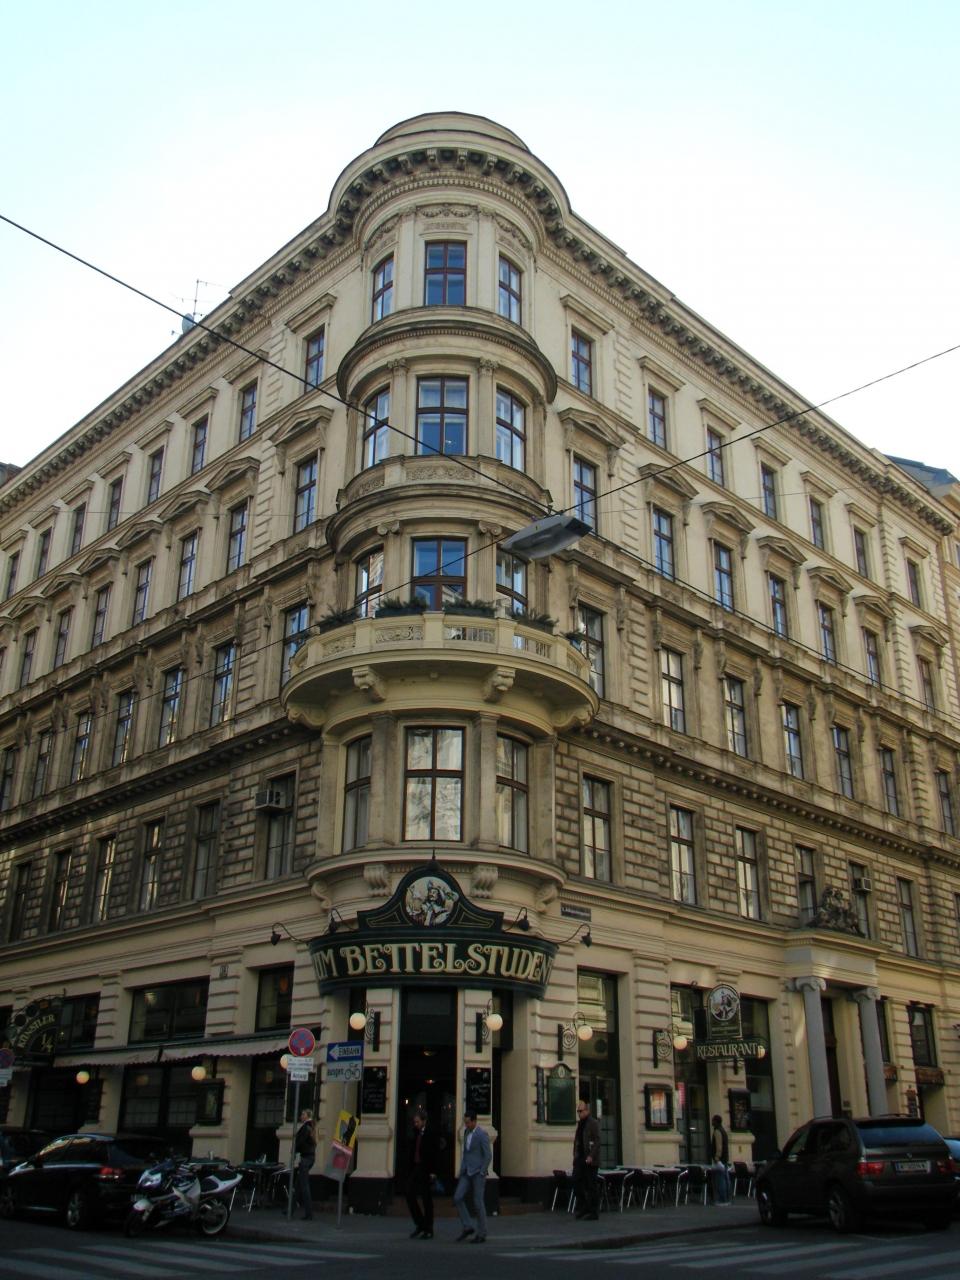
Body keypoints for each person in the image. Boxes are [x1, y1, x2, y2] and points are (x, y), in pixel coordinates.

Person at [453, 1109, 491, 1243]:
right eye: (465, 1122)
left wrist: (482, 1171)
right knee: (457, 1197)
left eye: (468, 1122)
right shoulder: (466, 1132)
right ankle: (467, 1225)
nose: (466, 1125)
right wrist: (462, 1168)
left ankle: (482, 1233)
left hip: (477, 1173)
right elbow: (466, 1152)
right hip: (466, 1171)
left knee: (478, 1203)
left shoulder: (482, 1134)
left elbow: (488, 1155)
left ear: (474, 1121)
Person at [405, 1110, 437, 1240]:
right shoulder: (415, 1132)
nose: (415, 1124)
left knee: (426, 1199)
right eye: (414, 1122)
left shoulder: (431, 1133)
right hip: (416, 1167)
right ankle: (420, 1223)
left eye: (417, 1122)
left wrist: (433, 1172)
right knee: (408, 1193)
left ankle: (428, 1228)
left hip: (426, 1169)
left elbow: (435, 1153)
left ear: (424, 1121)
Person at [572, 1099, 601, 1220]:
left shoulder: (592, 1123)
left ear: (587, 1111)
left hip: (590, 1160)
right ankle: (584, 1206)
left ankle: (593, 1211)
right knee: (576, 1181)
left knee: (591, 1185)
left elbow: (597, 1141)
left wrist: (591, 1156)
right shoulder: (580, 1124)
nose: (579, 1113)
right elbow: (577, 1141)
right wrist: (575, 1155)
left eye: (581, 1111)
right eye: (578, 1111)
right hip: (580, 1158)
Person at [294, 1108, 316, 1219]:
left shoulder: (306, 1127)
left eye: (303, 1114)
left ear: (307, 1116)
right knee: (298, 1185)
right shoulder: (311, 1126)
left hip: (306, 1158)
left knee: (304, 1186)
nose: (301, 1116)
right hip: (309, 1157)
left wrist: (295, 1150)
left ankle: (309, 1213)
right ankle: (289, 1209)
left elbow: (301, 1141)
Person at [710, 1114, 731, 1205]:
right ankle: (727, 1198)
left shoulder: (717, 1131)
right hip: (725, 1158)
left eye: (713, 1120)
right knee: (725, 1178)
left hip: (720, 1159)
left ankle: (722, 1199)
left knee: (720, 1179)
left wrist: (716, 1157)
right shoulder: (723, 1131)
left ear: (716, 1121)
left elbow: (719, 1146)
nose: (712, 1122)